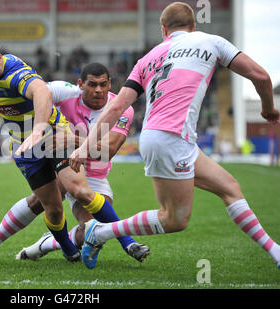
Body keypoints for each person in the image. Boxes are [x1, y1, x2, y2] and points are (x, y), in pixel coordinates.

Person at [70, 2, 280, 270]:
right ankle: (98, 232)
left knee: (230, 188)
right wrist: (268, 108)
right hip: (170, 137)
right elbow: (261, 76)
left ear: (163, 30)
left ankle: (274, 251)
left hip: (167, 137)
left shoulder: (147, 59)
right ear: (193, 26)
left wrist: (85, 146)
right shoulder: (210, 41)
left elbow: (116, 107)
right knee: (174, 220)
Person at [0, 63, 150, 267]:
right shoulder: (65, 92)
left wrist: (74, 140)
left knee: (92, 229)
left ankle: (48, 243)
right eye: (92, 85)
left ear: (110, 84)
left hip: (95, 174)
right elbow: (25, 90)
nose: (98, 90)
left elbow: (109, 150)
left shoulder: (121, 108)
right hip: (62, 163)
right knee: (40, 202)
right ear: (80, 84)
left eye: (103, 84)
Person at [0, 38, 80, 263]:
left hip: (52, 136)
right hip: (25, 147)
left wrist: (38, 128)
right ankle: (70, 250)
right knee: (52, 208)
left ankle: (127, 243)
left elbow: (42, 91)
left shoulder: (15, 73)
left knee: (77, 189)